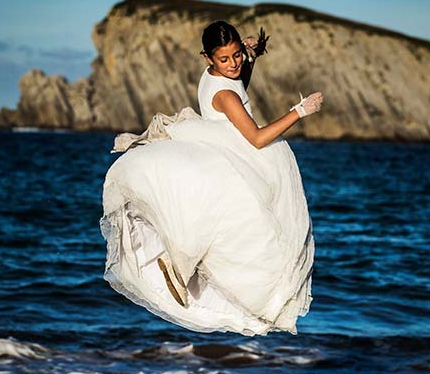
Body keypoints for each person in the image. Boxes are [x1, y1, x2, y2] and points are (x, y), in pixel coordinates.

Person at [99, 20, 324, 335]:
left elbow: (237, 82)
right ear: (207, 58)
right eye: (224, 59)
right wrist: (300, 110)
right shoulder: (224, 95)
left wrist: (251, 55)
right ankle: (202, 279)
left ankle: (183, 266)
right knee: (257, 241)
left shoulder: (217, 77)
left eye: (235, 56)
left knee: (227, 232)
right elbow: (257, 138)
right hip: (239, 155)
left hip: (225, 151)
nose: (233, 64)